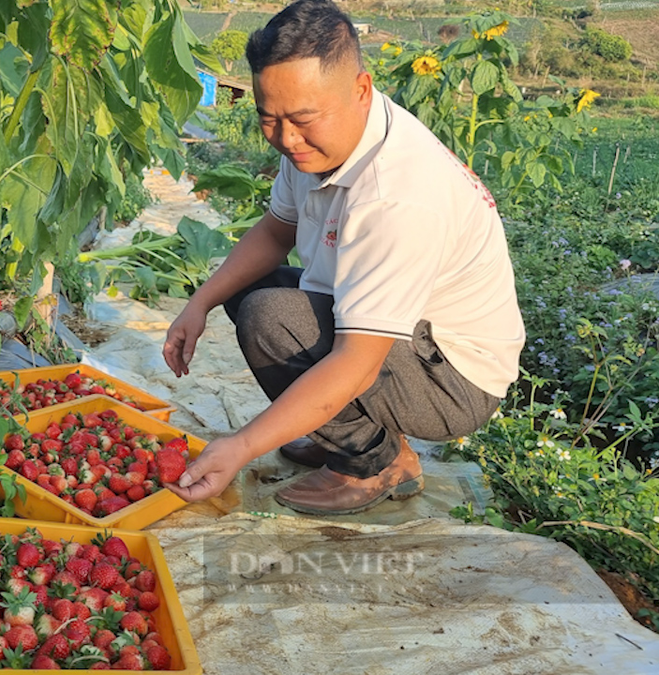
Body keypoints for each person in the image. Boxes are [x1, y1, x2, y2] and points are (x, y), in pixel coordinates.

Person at [162, 0, 524, 515]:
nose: (286, 139)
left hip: (452, 378)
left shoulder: (397, 196)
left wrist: (241, 447)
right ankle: (348, 430)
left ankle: (373, 461)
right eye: (270, 118)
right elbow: (274, 232)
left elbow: (357, 361)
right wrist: (197, 303)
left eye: (303, 119)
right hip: (405, 338)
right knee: (245, 288)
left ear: (361, 89)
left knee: (270, 317)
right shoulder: (321, 141)